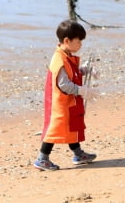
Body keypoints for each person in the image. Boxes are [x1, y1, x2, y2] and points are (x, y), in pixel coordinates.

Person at [33, 20, 97, 171]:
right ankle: (42, 158)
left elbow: (72, 73)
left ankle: (78, 154)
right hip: (60, 105)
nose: (80, 44)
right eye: (78, 41)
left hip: (70, 103)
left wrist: (85, 70)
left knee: (73, 127)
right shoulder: (59, 59)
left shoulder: (66, 55)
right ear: (67, 41)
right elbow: (64, 84)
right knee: (55, 129)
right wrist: (81, 90)